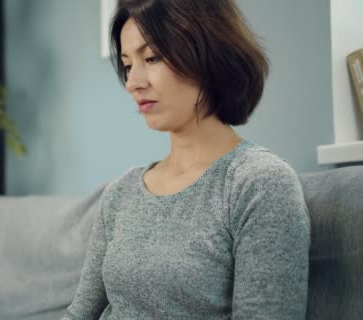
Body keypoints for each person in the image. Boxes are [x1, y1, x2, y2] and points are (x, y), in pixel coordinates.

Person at [61, 0, 310, 319]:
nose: (132, 82)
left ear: (207, 55)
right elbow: (79, 313)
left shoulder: (258, 184)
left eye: (151, 57)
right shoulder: (120, 193)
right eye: (127, 64)